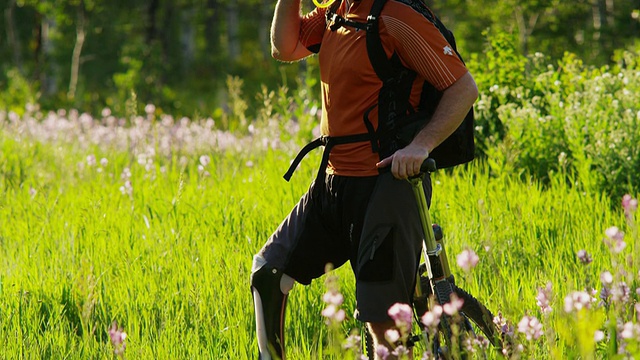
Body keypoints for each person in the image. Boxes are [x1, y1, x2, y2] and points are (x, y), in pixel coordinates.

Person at [250, 0, 478, 358]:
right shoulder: (337, 10)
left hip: (388, 182)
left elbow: (463, 87)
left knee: (382, 322)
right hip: (332, 181)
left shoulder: (395, 15)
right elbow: (284, 47)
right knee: (268, 270)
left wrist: (420, 146)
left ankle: (413, 299)